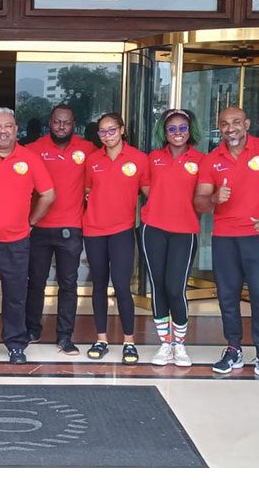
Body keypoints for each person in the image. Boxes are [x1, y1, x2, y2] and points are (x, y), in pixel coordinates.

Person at [194, 106, 259, 385]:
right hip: (224, 238)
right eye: (224, 124)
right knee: (227, 297)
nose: (230, 128)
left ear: (247, 124)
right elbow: (199, 203)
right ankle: (234, 349)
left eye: (236, 122)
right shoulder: (212, 159)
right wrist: (214, 197)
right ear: (219, 127)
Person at [0, 107, 55, 365]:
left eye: (8, 126)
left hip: (17, 242)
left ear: (16, 130)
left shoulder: (30, 158)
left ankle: (16, 344)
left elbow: (49, 194)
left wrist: (31, 222)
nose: (3, 130)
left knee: (16, 296)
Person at [23, 104, 98, 355]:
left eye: (66, 122)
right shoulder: (33, 150)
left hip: (71, 228)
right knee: (36, 282)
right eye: (57, 122)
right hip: (39, 227)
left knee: (69, 283)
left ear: (74, 124)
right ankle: (32, 329)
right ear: (50, 122)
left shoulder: (87, 150)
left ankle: (65, 336)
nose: (61, 126)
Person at [83, 112, 150, 365]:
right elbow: (88, 190)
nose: (107, 136)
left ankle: (129, 341)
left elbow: (149, 193)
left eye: (112, 130)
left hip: (122, 230)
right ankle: (101, 339)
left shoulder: (138, 159)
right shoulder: (92, 160)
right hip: (93, 230)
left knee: (122, 286)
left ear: (122, 129)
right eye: (102, 131)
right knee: (98, 285)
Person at [141, 109, 205, 367]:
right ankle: (164, 344)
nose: (177, 133)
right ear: (164, 132)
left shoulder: (201, 160)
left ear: (190, 131)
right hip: (153, 229)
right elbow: (147, 188)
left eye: (183, 128)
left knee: (175, 288)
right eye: (172, 129)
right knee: (158, 287)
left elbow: (202, 198)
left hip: (184, 231)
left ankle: (180, 344)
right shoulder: (153, 158)